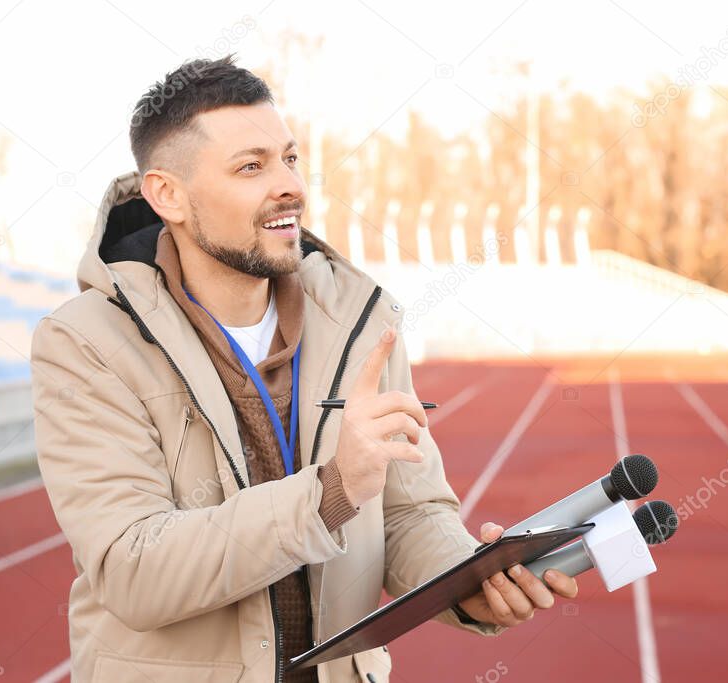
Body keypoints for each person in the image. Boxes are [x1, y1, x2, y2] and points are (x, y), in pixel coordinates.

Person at [31, 54, 578, 683]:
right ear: (168, 195)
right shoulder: (86, 342)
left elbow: (408, 512)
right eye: (251, 167)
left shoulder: (363, 319)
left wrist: (466, 580)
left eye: (290, 158)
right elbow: (135, 571)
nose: (288, 184)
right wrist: (331, 490)